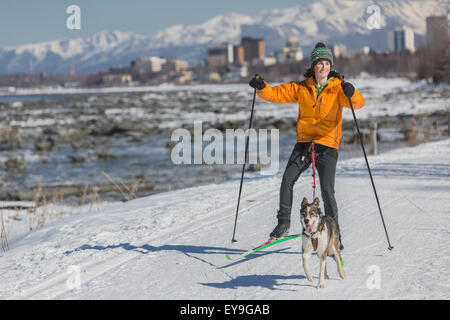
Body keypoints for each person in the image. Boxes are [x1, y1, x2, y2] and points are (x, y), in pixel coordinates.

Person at [249, 42, 365, 249]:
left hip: (328, 145)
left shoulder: (338, 89)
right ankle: (283, 222)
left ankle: (335, 235)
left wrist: (351, 92)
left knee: (327, 190)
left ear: (331, 67)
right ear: (313, 67)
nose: (324, 67)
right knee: (287, 179)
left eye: (327, 63)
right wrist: (262, 87)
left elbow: (357, 103)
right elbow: (277, 94)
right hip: (305, 143)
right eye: (320, 63)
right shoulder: (302, 88)